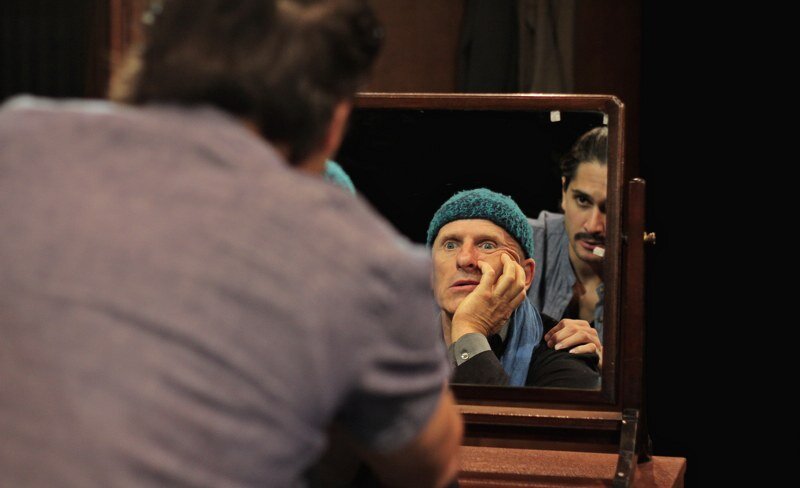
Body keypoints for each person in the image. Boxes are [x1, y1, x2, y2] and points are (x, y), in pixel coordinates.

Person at [0, 1, 461, 487]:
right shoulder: (366, 262)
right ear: (333, 124)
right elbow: (430, 465)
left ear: (143, 64)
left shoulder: (14, 139)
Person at [427, 188, 600, 388]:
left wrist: (469, 331)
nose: (465, 259)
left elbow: (488, 410)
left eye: (487, 245)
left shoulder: (564, 352)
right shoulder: (400, 346)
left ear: (525, 274)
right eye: (450, 245)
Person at [531, 126, 607, 358]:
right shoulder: (524, 243)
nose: (593, 226)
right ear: (564, 192)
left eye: (610, 208)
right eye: (583, 200)